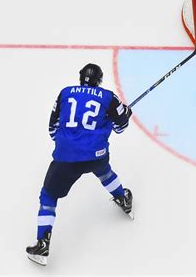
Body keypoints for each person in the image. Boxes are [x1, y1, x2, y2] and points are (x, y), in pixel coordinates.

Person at [26, 63, 133, 266]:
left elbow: (52, 127)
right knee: (105, 173)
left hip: (66, 157)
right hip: (96, 154)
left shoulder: (65, 93)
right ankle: (123, 198)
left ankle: (42, 244)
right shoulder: (108, 97)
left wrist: (68, 144)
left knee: (48, 197)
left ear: (80, 77)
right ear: (99, 80)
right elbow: (121, 127)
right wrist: (124, 114)